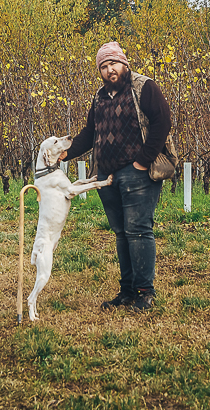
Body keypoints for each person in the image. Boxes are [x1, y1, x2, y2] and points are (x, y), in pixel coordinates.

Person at [61, 41, 171, 311]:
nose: (110, 69)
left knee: (138, 231)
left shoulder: (144, 87)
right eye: (104, 66)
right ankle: (127, 292)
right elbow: (91, 132)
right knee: (122, 234)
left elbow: (162, 123)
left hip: (137, 173)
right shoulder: (99, 96)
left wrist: (142, 163)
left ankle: (145, 293)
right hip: (106, 176)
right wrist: (67, 152)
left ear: (124, 63)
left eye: (114, 63)